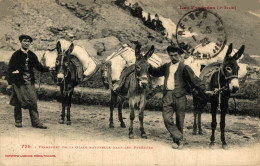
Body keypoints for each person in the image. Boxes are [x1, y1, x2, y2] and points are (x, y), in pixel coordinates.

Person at [149, 45, 212, 149]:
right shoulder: (166, 66)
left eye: (175, 55)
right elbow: (155, 72)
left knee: (180, 120)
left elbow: (194, 80)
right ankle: (180, 137)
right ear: (169, 56)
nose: (173, 57)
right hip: (167, 95)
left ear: (179, 55)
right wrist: (148, 66)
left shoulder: (184, 67)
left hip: (180, 97)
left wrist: (204, 90)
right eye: (171, 55)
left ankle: (176, 142)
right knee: (166, 118)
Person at [6, 35, 50, 129]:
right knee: (18, 101)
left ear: (30, 43)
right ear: (21, 42)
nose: (26, 43)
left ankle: (36, 122)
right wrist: (10, 83)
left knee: (33, 101)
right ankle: (18, 121)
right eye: (24, 41)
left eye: (28, 41)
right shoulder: (16, 55)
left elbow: (38, 66)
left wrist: (48, 69)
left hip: (29, 82)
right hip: (18, 82)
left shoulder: (32, 55)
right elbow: (10, 69)